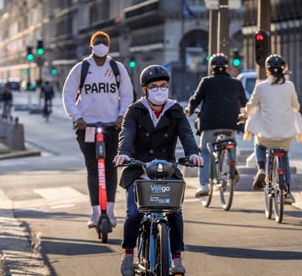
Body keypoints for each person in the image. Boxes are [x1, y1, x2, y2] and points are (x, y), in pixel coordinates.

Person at [113, 65, 204, 276]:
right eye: (154, 86)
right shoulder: (135, 110)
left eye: (163, 86)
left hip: (167, 169)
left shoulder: (175, 110)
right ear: (145, 89)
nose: (159, 90)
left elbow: (186, 134)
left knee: (175, 213)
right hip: (138, 168)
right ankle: (128, 254)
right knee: (134, 214)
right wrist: (123, 153)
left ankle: (176, 259)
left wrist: (193, 153)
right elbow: (126, 133)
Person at [62, 30, 134, 228]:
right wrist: (77, 117)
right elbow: (68, 95)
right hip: (87, 127)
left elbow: (127, 95)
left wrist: (122, 116)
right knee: (93, 169)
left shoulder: (117, 68)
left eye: (104, 41)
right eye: (97, 41)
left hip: (112, 126)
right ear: (91, 46)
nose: (101, 44)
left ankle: (110, 211)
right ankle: (95, 212)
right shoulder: (82, 68)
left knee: (111, 168)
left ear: (109, 46)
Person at [241, 54, 302, 204]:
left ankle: (262, 168)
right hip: (285, 136)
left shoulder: (261, 86)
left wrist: (244, 114)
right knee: (284, 156)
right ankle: (287, 191)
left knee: (259, 143)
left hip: (266, 136)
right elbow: (296, 106)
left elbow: (251, 107)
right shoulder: (290, 86)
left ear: (267, 70)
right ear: (284, 69)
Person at [184, 53, 248, 197]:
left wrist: (189, 110)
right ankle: (232, 166)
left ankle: (205, 185)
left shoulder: (206, 81)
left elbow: (195, 99)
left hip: (210, 123)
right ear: (227, 67)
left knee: (205, 151)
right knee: (231, 144)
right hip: (231, 123)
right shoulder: (236, 83)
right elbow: (244, 102)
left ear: (211, 67)